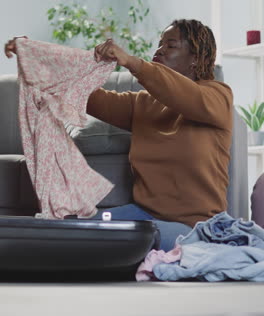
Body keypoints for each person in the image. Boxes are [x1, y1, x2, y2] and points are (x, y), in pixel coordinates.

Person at [4, 19, 233, 251]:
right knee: (67, 230)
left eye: (170, 45)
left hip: (196, 226)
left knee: (118, 243)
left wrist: (133, 63)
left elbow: (185, 95)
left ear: (195, 58)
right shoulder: (142, 104)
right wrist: (35, 57)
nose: (159, 50)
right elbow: (86, 95)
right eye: (159, 43)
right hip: (143, 215)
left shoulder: (218, 97)